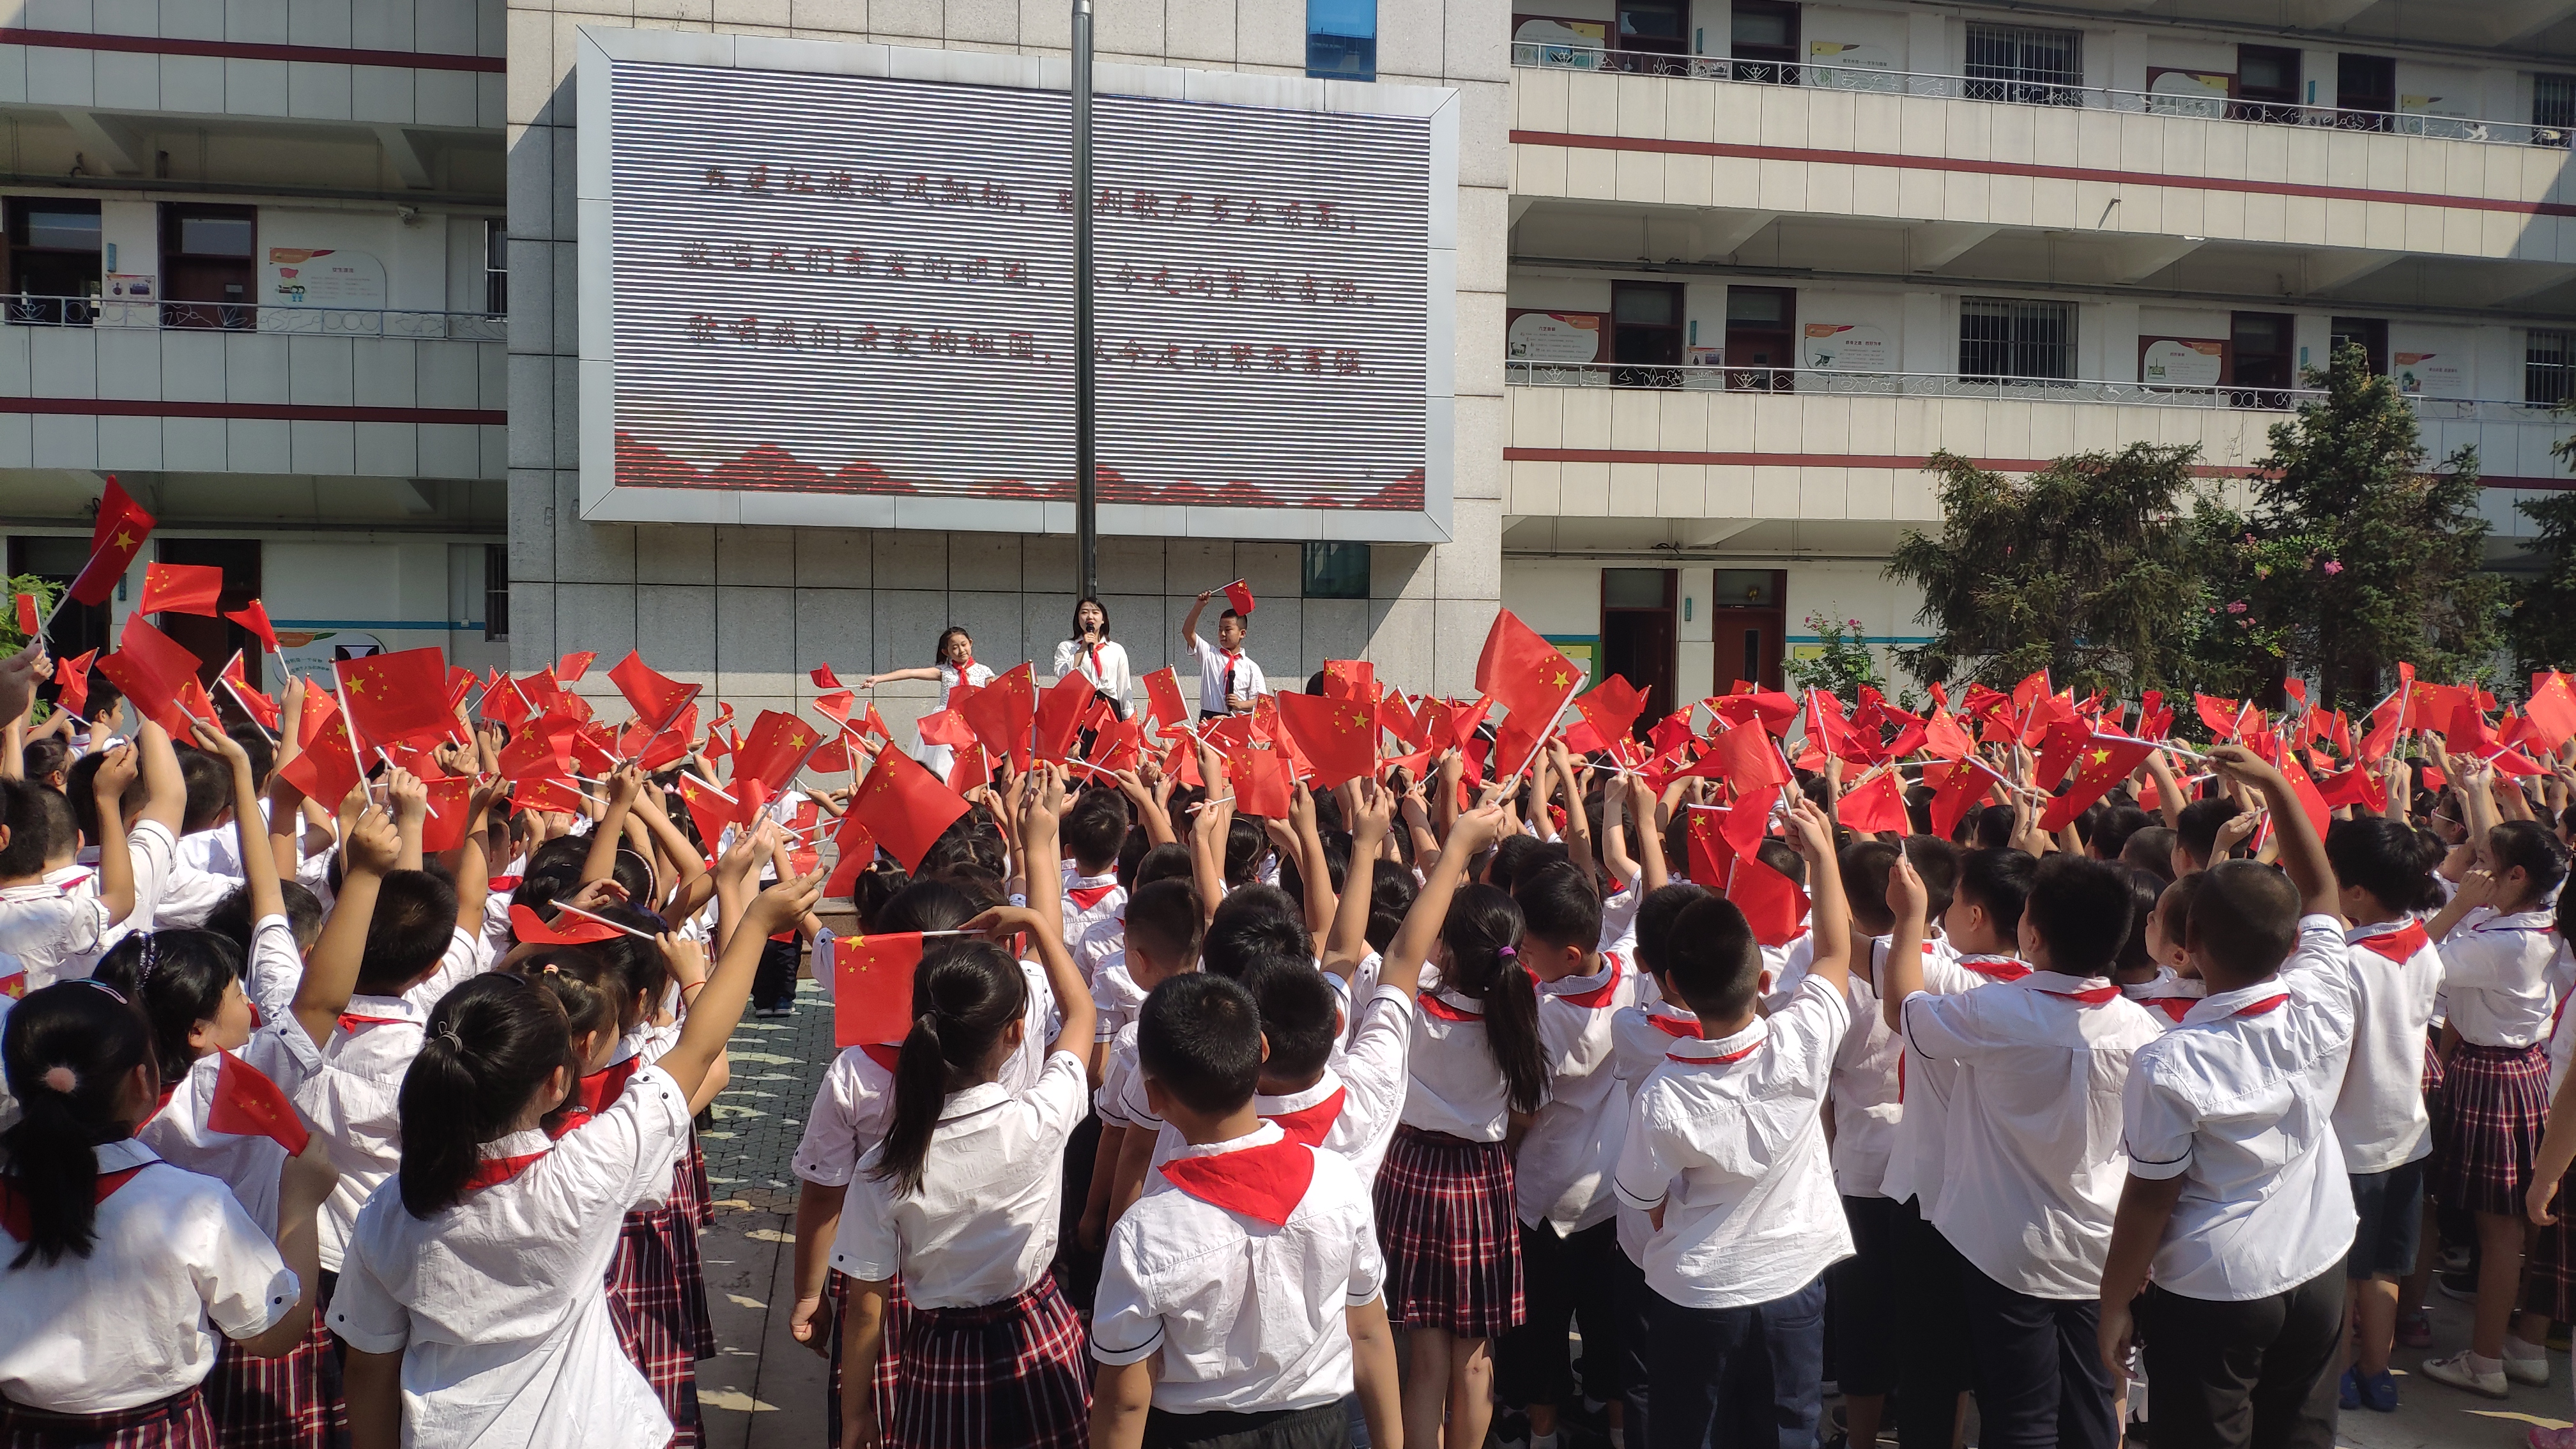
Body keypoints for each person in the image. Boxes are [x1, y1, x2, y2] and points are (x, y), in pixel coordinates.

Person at [327, 868, 824, 1449]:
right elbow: (701, 1046)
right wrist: (757, 925)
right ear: (558, 1080)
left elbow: (368, 1370)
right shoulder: (585, 1171)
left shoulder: (389, 1209)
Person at [2099, 744, 2360, 1449]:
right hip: (2320, 1259)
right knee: (2302, 1433)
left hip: (2217, 1287)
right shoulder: (2326, 995)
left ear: (2189, 946)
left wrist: (2115, 1300)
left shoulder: (2169, 1061)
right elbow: (2324, 893)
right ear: (2289, 938)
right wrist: (2276, 784)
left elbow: (2151, 1197)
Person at [831, 763, 1099, 1449]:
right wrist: (1038, 920)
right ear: (1015, 1036)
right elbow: (1081, 1014)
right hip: (1039, 1335)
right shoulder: (1039, 1119)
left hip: (939, 1356)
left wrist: (857, 1411)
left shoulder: (883, 1169)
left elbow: (865, 1310)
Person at [1880, 851, 2163, 1449]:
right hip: (2099, 1252)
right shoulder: (2143, 1031)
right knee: (2090, 1397)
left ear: (2030, 935)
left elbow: (1904, 1012)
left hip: (2008, 1252)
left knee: (2020, 1413)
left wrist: (1909, 921)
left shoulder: (1997, 1010)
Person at [1612, 795, 1854, 1449]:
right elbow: (1835, 953)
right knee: (1786, 1433)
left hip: (1696, 1293)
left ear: (1673, 988)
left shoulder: (1665, 1093)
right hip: (1793, 1282)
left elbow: (1643, 1201)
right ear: (1764, 972)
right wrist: (1823, 856)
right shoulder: (1801, 1039)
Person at [0, 978, 339, 1446]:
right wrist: (300, 1207)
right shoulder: (192, 1205)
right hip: (158, 1434)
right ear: (143, 1080)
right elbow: (274, 1332)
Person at [1087, 972, 1402, 1449]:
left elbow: (1125, 1401)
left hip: (1193, 1434)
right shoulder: (1339, 1183)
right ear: (1262, 1050)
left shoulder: (1144, 1233)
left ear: (1153, 1096)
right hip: (1321, 1429)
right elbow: (1371, 1334)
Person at [2419, 789, 2567, 1397]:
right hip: (2518, 1069)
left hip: (2494, 1077)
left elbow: (2408, 964)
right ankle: (2520, 1347)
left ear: (2515, 875)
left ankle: (2485, 1361)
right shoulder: (2533, 915)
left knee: (2498, 1228)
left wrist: (2455, 912)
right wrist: (2481, 790)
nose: (2473, 868)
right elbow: (2511, 848)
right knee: (2511, 1224)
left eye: (2487, 861)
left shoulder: (2502, 944)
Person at [2321, 816, 2445, 1413]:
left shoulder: (2347, 962)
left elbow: (2339, 1058)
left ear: (2357, 893)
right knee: (2387, 1267)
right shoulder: (2424, 944)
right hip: (2408, 1134)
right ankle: (2379, 1371)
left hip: (2352, 1141)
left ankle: (2340, 1372)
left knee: (2345, 1268)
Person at [866, 628, 996, 779]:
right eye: (955, 647)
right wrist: (878, 679)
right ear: (946, 652)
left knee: (974, 771)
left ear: (971, 643)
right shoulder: (945, 671)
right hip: (948, 726)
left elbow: (997, 694)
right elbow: (910, 673)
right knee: (945, 767)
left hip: (973, 725)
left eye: (964, 644)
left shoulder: (984, 671)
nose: (961, 650)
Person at [1181, 594, 1264, 719]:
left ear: (1242, 633)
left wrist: (1240, 704)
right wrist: (1199, 606)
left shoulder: (1251, 667)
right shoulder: (1209, 654)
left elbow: (1262, 701)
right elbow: (1187, 632)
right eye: (1220, 630)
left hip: (1237, 720)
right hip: (1209, 718)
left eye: (1228, 629)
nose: (1223, 634)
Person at [1052, 599, 1133, 720]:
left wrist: (1128, 718)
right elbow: (1063, 677)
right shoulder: (1067, 647)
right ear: (1078, 618)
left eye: (1095, 613)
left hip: (1109, 708)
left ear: (1103, 619)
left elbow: (1124, 685)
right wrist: (1083, 648)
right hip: (1078, 708)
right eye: (1084, 613)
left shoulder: (1116, 649)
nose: (1090, 617)